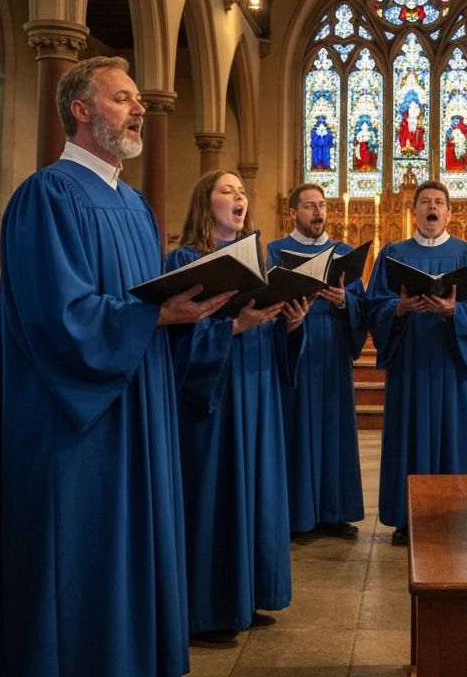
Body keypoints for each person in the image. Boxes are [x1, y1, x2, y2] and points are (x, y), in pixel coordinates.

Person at [0, 55, 233, 677]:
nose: (140, 108)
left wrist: (197, 313)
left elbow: (151, 306)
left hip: (139, 409)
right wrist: (156, 316)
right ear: (81, 111)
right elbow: (60, 317)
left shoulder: (137, 207)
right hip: (77, 425)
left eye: (137, 99)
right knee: (77, 558)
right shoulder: (47, 196)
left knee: (133, 544)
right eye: (122, 99)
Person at [168, 170, 309, 642]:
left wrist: (290, 324)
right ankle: (208, 610)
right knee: (217, 490)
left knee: (255, 490)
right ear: (204, 203)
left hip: (257, 389)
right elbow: (174, 339)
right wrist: (232, 327)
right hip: (214, 397)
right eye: (227, 190)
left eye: (242, 191)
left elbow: (267, 328)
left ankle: (246, 596)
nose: (239, 197)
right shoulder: (185, 260)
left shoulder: (260, 263)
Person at [364, 180, 467, 544]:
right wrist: (399, 308)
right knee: (410, 434)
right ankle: (408, 519)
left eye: (439, 201)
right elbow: (374, 308)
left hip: (452, 365)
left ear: (449, 212)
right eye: (425, 201)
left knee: (454, 437)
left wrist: (454, 311)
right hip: (410, 363)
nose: (432, 207)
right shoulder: (393, 254)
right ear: (414, 211)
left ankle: (457, 516)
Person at [266, 182, 367, 538]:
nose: (318, 211)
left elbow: (361, 305)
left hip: (334, 349)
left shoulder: (344, 252)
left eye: (322, 205)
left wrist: (344, 300)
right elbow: (267, 300)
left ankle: (334, 513)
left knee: (334, 428)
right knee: (298, 427)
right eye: (310, 206)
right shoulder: (276, 251)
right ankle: (298, 515)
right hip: (298, 345)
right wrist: (290, 317)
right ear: (293, 212)